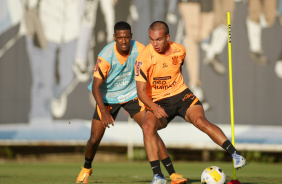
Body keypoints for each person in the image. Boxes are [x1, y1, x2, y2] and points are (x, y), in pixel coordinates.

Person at [135, 21, 246, 184]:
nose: (154, 44)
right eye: (151, 39)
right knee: (147, 127)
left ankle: (235, 155)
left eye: (158, 39)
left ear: (168, 37)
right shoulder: (143, 58)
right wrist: (154, 106)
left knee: (201, 121)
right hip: (158, 101)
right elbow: (140, 92)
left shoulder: (180, 50)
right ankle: (158, 176)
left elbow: (176, 71)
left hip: (181, 96)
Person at [76, 21, 187, 184]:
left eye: (127, 37)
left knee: (151, 130)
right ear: (114, 37)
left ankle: (173, 175)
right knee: (94, 139)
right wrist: (104, 111)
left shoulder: (140, 49)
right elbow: (96, 87)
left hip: (132, 96)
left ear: (131, 37)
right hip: (108, 99)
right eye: (120, 38)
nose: (123, 41)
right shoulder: (106, 56)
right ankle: (86, 168)